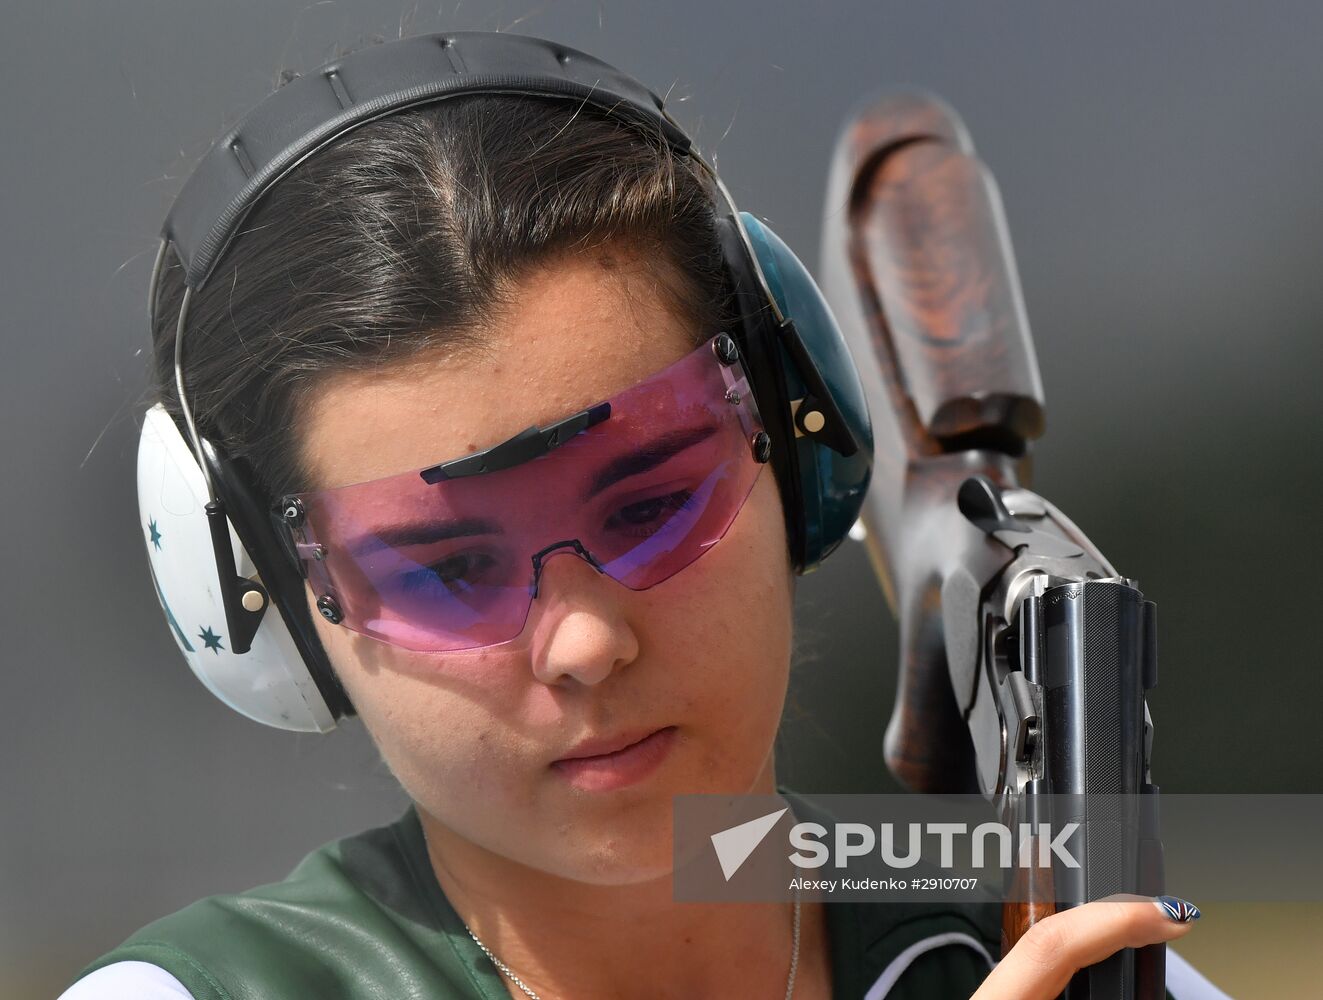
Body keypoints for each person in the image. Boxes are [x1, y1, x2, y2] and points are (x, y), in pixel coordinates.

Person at [61, 31, 1219, 1000]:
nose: (585, 641)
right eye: (450, 568)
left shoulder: (1062, 959)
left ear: (799, 440)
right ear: (275, 612)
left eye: (656, 500)